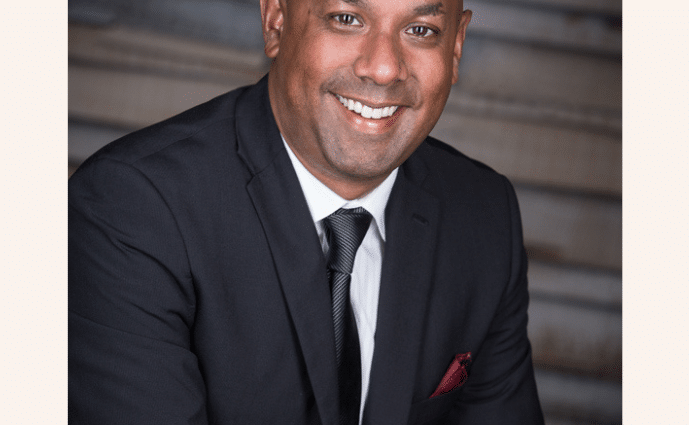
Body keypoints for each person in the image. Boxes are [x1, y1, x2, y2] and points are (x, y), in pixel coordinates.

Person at [68, 0, 544, 423]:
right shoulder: (131, 208)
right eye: (346, 19)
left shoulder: (484, 214)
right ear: (276, 19)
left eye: (420, 30)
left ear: (456, 45)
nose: (383, 68)